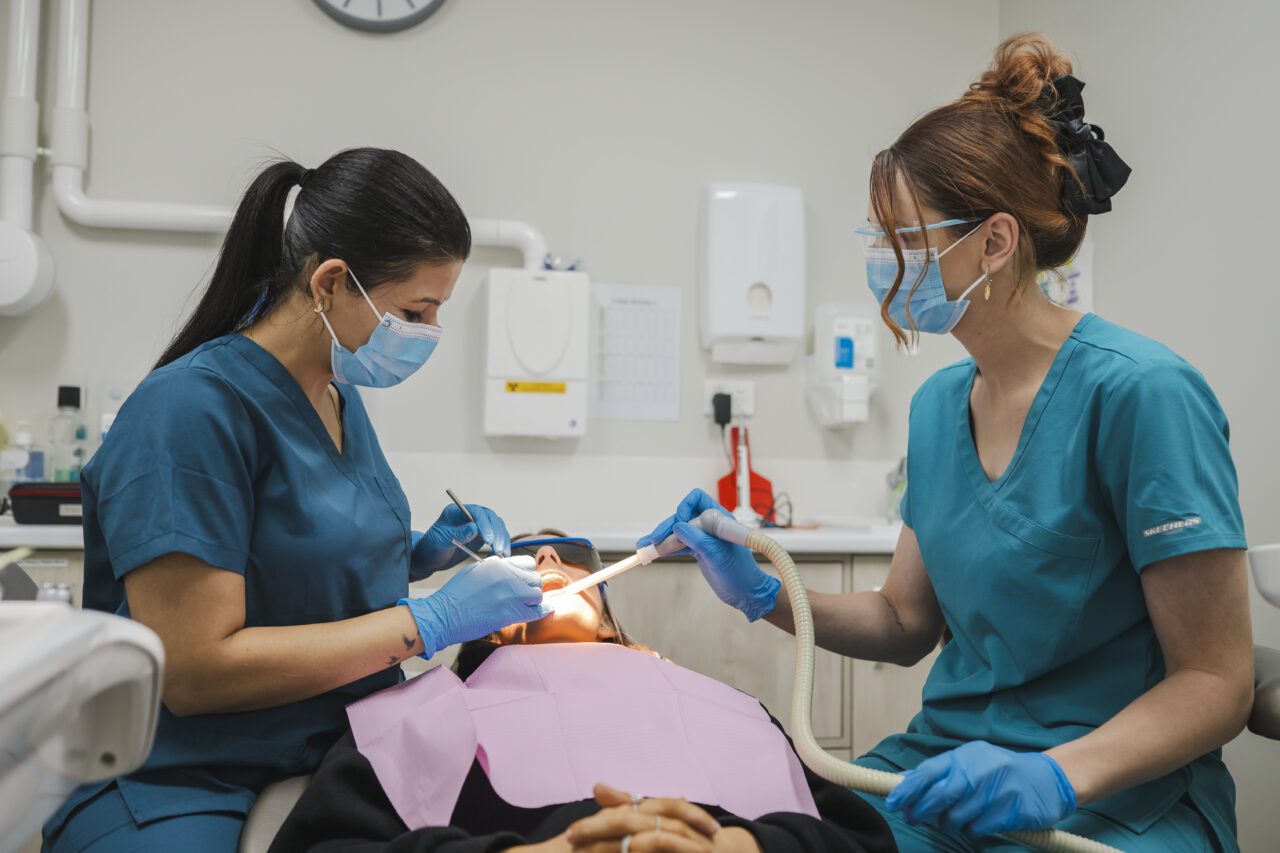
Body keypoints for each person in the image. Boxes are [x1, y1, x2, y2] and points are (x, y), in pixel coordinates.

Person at [641, 34, 1253, 852]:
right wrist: (763, 591)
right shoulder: (939, 406)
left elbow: (1217, 681)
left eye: (901, 236)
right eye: (875, 235)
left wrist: (1057, 774)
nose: (879, 260)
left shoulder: (1142, 394)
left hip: (1113, 797)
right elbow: (903, 620)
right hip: (945, 774)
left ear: (994, 243)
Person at [43, 148, 550, 852]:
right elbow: (193, 669)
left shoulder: (338, 396)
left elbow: (292, 563)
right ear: (333, 282)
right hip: (184, 777)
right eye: (416, 309)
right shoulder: (188, 411)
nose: (428, 332)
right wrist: (431, 619)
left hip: (337, 749)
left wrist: (418, 553)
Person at [269, 534, 898, 853]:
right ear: (484, 624)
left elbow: (861, 839)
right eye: (518, 557)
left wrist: (747, 845)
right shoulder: (426, 709)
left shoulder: (728, 704)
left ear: (612, 626)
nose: (544, 552)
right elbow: (325, 844)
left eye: (566, 556)